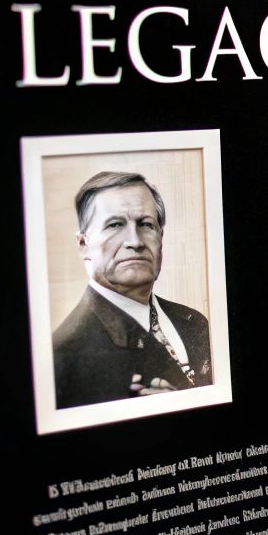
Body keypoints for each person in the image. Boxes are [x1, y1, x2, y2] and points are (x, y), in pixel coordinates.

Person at [53, 171, 212, 408]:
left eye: (146, 224)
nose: (135, 242)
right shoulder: (64, 357)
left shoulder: (194, 323)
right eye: (115, 225)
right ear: (84, 244)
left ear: (161, 237)